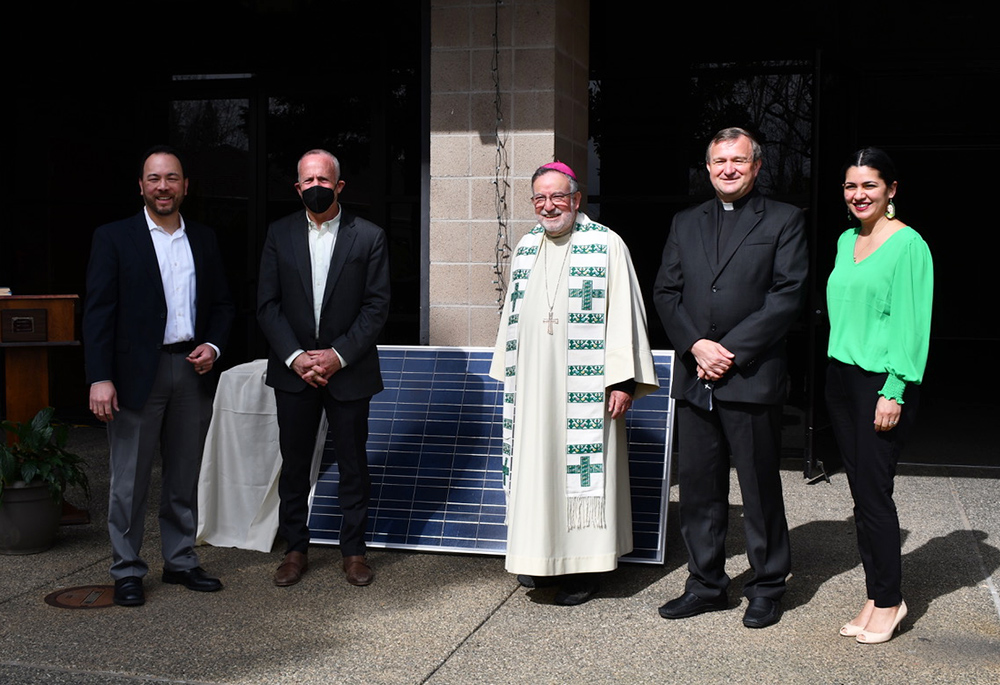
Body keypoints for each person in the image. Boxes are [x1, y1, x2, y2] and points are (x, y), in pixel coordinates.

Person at [653, 127, 808, 628]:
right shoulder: (684, 221)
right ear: (708, 165)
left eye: (738, 160)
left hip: (752, 374)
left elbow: (787, 294)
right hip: (697, 376)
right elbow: (666, 293)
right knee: (699, 488)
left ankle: (767, 585)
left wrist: (730, 351)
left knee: (760, 487)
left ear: (756, 166)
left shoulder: (784, 219)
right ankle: (706, 584)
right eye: (719, 160)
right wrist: (696, 345)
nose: (727, 168)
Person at [489, 161, 658, 605]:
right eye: (540, 198)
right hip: (533, 386)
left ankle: (584, 568)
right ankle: (541, 560)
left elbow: (624, 312)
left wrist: (621, 379)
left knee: (581, 475)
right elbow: (512, 314)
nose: (549, 206)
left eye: (557, 196)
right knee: (537, 473)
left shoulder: (606, 244)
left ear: (576, 199)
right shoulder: (526, 247)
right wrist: (508, 368)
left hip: (586, 389)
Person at [84, 145, 235, 607]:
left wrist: (212, 344)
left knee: (184, 473)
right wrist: (99, 377)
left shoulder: (205, 238)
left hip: (191, 370)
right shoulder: (114, 237)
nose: (163, 186)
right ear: (142, 186)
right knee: (128, 480)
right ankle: (127, 569)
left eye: (172, 178)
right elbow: (97, 313)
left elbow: (224, 305)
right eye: (154, 178)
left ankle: (181, 560)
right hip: (134, 375)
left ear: (185, 186)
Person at [257, 149, 390, 588]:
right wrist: (296, 358)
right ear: (298, 187)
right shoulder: (278, 234)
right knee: (294, 466)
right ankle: (295, 549)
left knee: (353, 464)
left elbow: (376, 306)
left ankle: (354, 551)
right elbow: (267, 305)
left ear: (339, 185)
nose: (316, 186)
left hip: (348, 371)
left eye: (323, 179)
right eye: (307, 180)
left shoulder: (368, 236)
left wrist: (336, 355)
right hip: (293, 372)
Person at [826, 148, 932, 644]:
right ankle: (875, 594)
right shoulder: (847, 239)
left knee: (874, 496)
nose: (858, 195)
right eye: (851, 186)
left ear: (891, 189)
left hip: (880, 384)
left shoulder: (909, 245)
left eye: (869, 185)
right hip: (841, 379)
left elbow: (912, 326)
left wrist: (895, 390)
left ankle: (889, 601)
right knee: (861, 496)